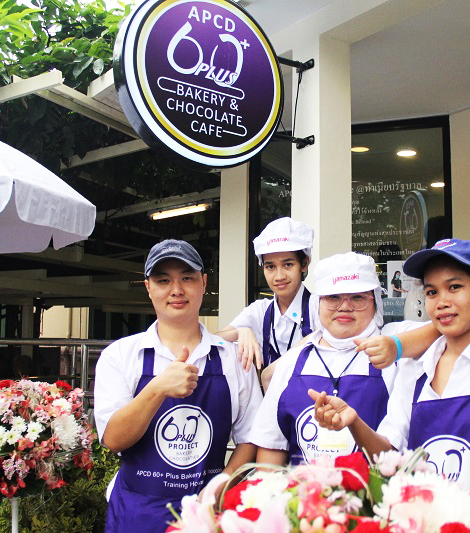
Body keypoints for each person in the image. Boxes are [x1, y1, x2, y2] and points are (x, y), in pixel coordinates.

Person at [311, 239, 470, 531]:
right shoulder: (414, 371)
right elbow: (388, 456)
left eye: (455, 287)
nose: (442, 301)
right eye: (431, 291)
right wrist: (354, 422)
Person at [94, 240, 263, 533]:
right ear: (148, 287)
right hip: (136, 514)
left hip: (208, 513)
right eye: (163, 280)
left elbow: (251, 439)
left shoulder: (232, 358)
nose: (177, 290)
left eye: (187, 277)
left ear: (203, 283)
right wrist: (157, 388)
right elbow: (114, 440)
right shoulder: (120, 356)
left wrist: (218, 491)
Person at [252, 252, 439, 466]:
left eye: (357, 297)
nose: (344, 306)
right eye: (333, 297)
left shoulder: (398, 343)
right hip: (301, 496)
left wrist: (396, 346)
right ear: (318, 303)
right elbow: (271, 449)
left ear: (375, 301)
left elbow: (445, 328)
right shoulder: (293, 361)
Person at [217, 217, 319, 381]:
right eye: (270, 266)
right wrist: (239, 332)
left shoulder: (319, 307)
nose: (279, 276)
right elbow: (213, 341)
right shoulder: (259, 311)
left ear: (304, 264)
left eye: (288, 265)